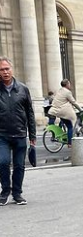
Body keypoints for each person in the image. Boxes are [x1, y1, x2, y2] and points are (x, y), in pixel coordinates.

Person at [0, 57, 36, 206]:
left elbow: (30, 113)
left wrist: (32, 135)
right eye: (2, 70)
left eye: (7, 69)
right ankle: (5, 191)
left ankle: (17, 193)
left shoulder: (23, 88)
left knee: (19, 166)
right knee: (3, 162)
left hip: (20, 133)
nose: (5, 72)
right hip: (2, 135)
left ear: (12, 69)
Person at [48, 79, 82, 148]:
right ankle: (69, 143)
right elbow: (73, 102)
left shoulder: (60, 91)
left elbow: (64, 102)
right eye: (69, 84)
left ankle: (63, 135)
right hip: (62, 111)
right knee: (70, 126)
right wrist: (80, 109)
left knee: (64, 121)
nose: (70, 85)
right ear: (67, 84)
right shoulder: (67, 92)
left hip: (57, 111)